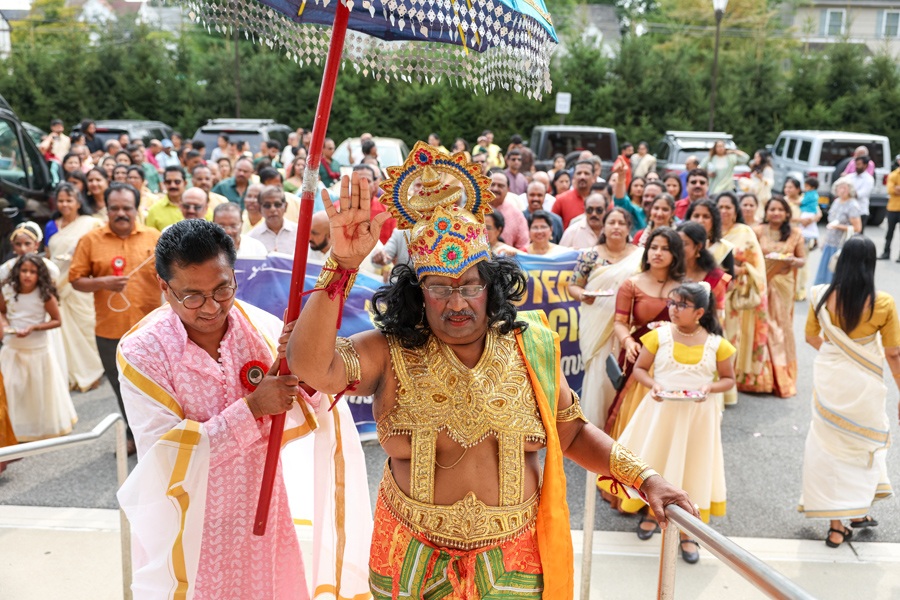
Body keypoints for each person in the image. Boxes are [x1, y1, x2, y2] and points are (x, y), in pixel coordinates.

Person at [286, 146, 697, 596]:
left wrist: (646, 479)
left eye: (470, 286)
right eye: (439, 288)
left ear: (491, 286)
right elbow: (311, 366)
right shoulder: (390, 350)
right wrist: (342, 265)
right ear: (417, 292)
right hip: (409, 558)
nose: (456, 303)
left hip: (515, 561)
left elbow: (573, 434)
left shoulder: (531, 347)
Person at [116, 219, 372, 599]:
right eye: (193, 296)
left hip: (261, 515)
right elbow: (164, 456)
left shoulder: (261, 328)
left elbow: (306, 406)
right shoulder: (142, 352)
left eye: (223, 289)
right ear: (165, 288)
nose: (211, 307)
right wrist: (251, 408)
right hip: (188, 527)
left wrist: (301, 371)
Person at [609, 282, 735, 563]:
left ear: (700, 312)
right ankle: (651, 513)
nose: (673, 309)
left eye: (681, 305)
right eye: (672, 303)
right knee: (658, 459)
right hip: (661, 413)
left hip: (697, 419)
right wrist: (653, 385)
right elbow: (640, 369)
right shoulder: (659, 336)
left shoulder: (718, 344)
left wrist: (709, 387)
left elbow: (728, 380)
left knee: (693, 465)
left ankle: (689, 531)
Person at [800, 237, 898, 548]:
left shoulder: (819, 295)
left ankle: (836, 526)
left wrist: (837, 353)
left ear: (840, 261)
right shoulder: (883, 303)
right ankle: (858, 511)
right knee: (862, 446)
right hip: (865, 384)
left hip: (830, 379)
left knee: (828, 447)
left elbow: (811, 337)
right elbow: (894, 353)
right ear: (871, 264)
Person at [69, 183, 162, 453]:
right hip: (110, 331)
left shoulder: (154, 238)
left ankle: (159, 437)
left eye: (127, 208)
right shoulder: (90, 240)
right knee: (123, 388)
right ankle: (133, 435)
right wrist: (103, 282)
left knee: (156, 387)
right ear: (106, 210)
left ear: (137, 209)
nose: (121, 213)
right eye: (115, 208)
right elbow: (75, 279)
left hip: (152, 329)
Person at [606, 227, 686, 440]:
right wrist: (628, 342)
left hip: (675, 359)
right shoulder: (631, 285)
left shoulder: (685, 288)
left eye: (665, 249)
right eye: (654, 247)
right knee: (635, 411)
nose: (658, 253)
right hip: (640, 356)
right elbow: (620, 322)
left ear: (675, 253)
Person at [568, 207, 642, 427]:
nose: (616, 227)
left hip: (629, 324)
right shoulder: (590, 255)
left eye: (621, 223)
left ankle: (622, 428)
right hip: (596, 320)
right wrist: (583, 295)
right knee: (600, 376)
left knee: (626, 371)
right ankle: (597, 430)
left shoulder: (640, 255)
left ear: (629, 228)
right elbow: (573, 286)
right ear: (604, 227)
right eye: (612, 222)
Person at [0, 254, 78, 441]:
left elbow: (57, 320)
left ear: (39, 274)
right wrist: (4, 324)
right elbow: (2, 311)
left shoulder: (45, 294)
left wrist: (34, 327)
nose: (27, 275)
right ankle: (13, 428)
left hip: (37, 349)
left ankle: (40, 428)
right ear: (17, 271)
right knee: (11, 389)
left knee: (39, 392)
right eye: (24, 270)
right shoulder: (7, 290)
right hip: (13, 347)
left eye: (33, 271)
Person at [46, 184, 105, 392]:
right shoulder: (52, 226)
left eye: (69, 200)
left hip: (81, 285)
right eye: (61, 200)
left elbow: (99, 252)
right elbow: (48, 256)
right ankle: (71, 372)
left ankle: (95, 370)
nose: (65, 204)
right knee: (66, 332)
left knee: (86, 326)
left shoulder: (91, 223)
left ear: (78, 202)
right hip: (58, 286)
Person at [717, 192, 771, 396]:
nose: (723, 211)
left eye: (728, 207)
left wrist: (734, 270)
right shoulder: (709, 230)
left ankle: (727, 385)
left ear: (735, 211)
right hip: (711, 291)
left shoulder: (744, 232)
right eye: (720, 207)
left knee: (730, 338)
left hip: (735, 294)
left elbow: (756, 265)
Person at [754, 197, 806, 398]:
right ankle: (761, 376)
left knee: (780, 328)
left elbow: (802, 260)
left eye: (780, 210)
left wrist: (792, 260)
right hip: (761, 284)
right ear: (766, 212)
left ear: (786, 213)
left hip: (784, 285)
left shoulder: (795, 233)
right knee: (762, 326)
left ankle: (780, 377)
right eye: (772, 209)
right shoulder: (758, 231)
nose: (776, 213)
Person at [814, 178, 862, 286]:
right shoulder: (836, 202)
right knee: (825, 271)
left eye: (845, 188)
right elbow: (830, 224)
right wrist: (824, 241)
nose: (842, 190)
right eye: (839, 187)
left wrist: (838, 226)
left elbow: (857, 228)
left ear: (850, 190)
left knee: (837, 272)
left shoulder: (852, 205)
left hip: (842, 244)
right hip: (830, 243)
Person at [677, 222, 731, 311]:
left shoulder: (716, 278)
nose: (678, 248)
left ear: (698, 247)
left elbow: (717, 313)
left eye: (684, 244)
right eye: (676, 243)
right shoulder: (669, 271)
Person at [685, 199, 735, 277]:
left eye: (706, 217)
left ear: (714, 220)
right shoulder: (681, 244)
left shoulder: (724, 248)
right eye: (696, 216)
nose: (700, 221)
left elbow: (730, 281)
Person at [247, 186, 298, 254]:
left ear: (285, 206)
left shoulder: (299, 233)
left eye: (277, 204)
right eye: (267, 205)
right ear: (259, 208)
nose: (273, 209)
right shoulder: (251, 238)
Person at [488, 169, 529, 250]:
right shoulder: (473, 209)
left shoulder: (517, 215)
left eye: (500, 186)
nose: (495, 189)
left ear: (508, 189)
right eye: (492, 185)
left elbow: (523, 245)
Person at [145, 166, 195, 231]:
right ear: (164, 184)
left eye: (177, 182)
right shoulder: (154, 210)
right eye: (168, 182)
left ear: (185, 183)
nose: (172, 185)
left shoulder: (198, 206)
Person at [841, 156, 875, 220]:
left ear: (865, 165)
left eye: (858, 164)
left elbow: (859, 194)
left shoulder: (869, 179)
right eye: (856, 164)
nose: (856, 166)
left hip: (860, 211)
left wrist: (846, 192)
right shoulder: (849, 177)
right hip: (847, 211)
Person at [882, 154, 900, 261]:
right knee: (889, 232)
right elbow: (890, 190)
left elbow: (895, 189)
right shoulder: (893, 175)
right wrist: (895, 189)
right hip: (892, 208)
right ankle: (886, 252)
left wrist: (898, 188)